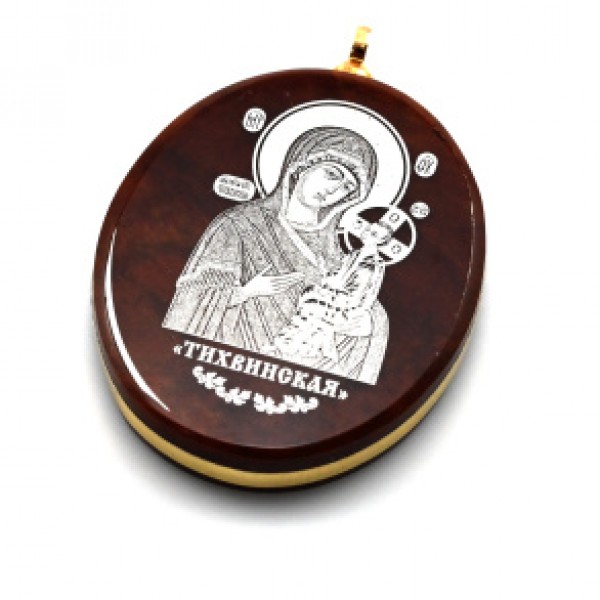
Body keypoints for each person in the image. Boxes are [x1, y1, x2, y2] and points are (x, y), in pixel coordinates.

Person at [163, 126, 389, 384]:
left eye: (347, 187)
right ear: (301, 166)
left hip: (297, 379)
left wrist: (367, 325)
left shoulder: (336, 255)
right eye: (331, 174)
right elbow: (192, 300)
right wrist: (246, 292)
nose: (333, 190)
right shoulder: (237, 224)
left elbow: (361, 308)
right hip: (229, 364)